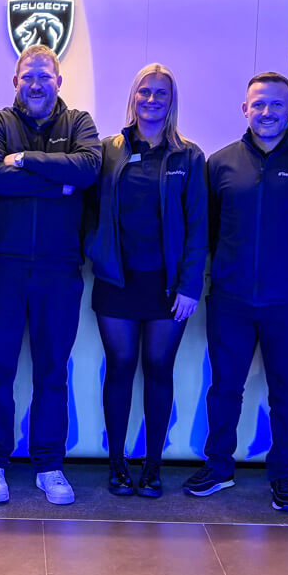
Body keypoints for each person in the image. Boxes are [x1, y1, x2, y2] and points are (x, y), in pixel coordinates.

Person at [182, 73, 288, 511]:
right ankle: (219, 466)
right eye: (259, 104)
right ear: (245, 109)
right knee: (224, 388)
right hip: (229, 299)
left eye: (276, 104)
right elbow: (207, 229)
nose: (267, 113)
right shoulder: (220, 163)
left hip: (287, 301)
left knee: (287, 391)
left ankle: (283, 471)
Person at [0, 44, 101, 505]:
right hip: (2, 268)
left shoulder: (79, 123)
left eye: (44, 76)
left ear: (58, 81)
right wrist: (57, 185)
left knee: (51, 372)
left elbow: (87, 169)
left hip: (59, 269)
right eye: (28, 76)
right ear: (15, 82)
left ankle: (49, 464)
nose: (35, 84)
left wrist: (25, 160)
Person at [87, 63, 208, 498]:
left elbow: (198, 226)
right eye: (145, 92)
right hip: (117, 281)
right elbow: (89, 210)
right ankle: (117, 464)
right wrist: (95, 249)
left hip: (168, 287)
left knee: (158, 368)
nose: (152, 100)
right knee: (120, 367)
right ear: (133, 97)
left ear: (171, 101)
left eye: (161, 93)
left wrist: (190, 286)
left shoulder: (188, 156)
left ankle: (153, 466)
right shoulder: (109, 150)